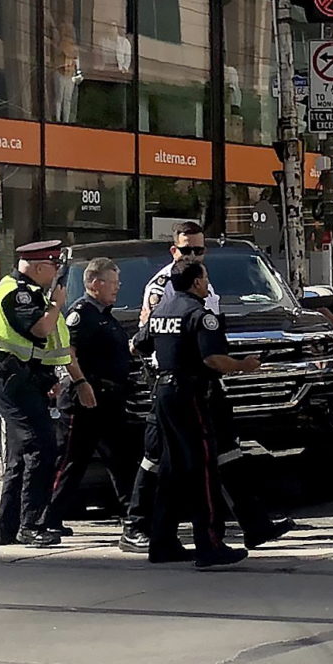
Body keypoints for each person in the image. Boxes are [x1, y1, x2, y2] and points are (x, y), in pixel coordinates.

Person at [147, 259, 256, 570]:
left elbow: (140, 344)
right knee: (203, 468)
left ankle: (162, 542)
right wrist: (244, 366)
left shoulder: (161, 311)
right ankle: (209, 545)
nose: (207, 282)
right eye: (205, 277)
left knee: (171, 469)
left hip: (164, 393)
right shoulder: (199, 314)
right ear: (196, 282)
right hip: (189, 394)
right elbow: (213, 359)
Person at [0, 241, 94, 548]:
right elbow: (40, 330)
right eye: (54, 266)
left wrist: (62, 377)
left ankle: (9, 526)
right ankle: (31, 525)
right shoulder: (18, 292)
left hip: (26, 380)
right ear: (37, 267)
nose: (57, 272)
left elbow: (52, 345)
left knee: (21, 456)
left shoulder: (32, 293)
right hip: (13, 381)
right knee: (40, 448)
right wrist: (56, 304)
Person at [120, 222, 215, 552]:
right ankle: (138, 524)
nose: (193, 255)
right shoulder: (163, 286)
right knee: (160, 457)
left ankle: (243, 522)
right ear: (174, 250)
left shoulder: (204, 282)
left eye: (198, 250)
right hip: (172, 381)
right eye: (186, 250)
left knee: (204, 455)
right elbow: (146, 338)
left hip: (197, 381)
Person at [48, 257, 140, 528]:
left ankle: (134, 517)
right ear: (96, 283)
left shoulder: (104, 315)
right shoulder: (82, 314)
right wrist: (80, 383)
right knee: (71, 461)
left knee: (121, 459)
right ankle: (47, 518)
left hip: (110, 400)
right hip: (85, 401)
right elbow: (68, 353)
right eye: (113, 282)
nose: (118, 287)